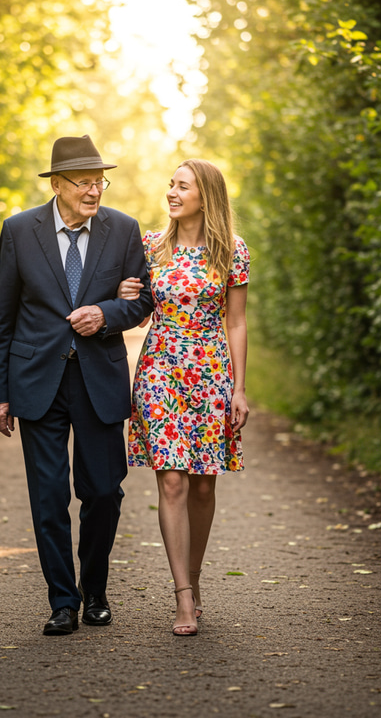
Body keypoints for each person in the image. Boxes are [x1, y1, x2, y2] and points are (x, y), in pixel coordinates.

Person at [0, 135, 153, 636]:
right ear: (57, 184)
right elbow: (3, 316)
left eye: (100, 180)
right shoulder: (19, 230)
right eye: (84, 181)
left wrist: (105, 313)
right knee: (49, 496)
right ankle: (62, 600)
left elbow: (142, 303)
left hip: (98, 380)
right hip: (36, 380)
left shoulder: (123, 230)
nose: (94, 189)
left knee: (103, 492)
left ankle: (95, 591)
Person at [118, 158, 249, 636]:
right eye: (170, 185)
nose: (171, 193)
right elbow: (135, 310)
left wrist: (238, 387)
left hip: (212, 375)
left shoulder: (232, 251)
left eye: (182, 187)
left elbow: (236, 321)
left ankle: (194, 578)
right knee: (171, 482)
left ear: (205, 196)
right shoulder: (150, 247)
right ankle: (184, 597)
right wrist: (124, 292)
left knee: (203, 485)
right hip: (160, 373)